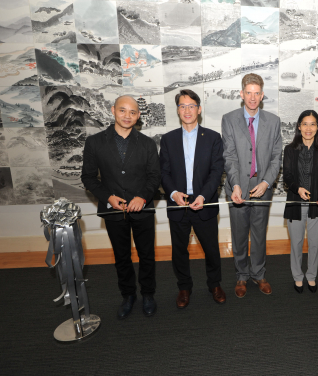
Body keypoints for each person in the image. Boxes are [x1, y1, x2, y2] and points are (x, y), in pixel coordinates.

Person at [81, 95, 160, 319]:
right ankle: (128, 295)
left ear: (138, 116)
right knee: (121, 256)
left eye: (132, 112)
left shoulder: (147, 143)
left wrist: (142, 198)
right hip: (113, 212)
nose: (127, 116)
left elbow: (155, 177)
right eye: (123, 111)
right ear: (113, 110)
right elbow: (88, 178)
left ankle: (148, 294)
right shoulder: (95, 142)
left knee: (147, 255)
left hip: (142, 211)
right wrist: (108, 198)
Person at [159, 89, 226, 308]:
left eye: (191, 106)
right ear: (177, 110)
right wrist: (173, 194)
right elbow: (163, 172)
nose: (187, 110)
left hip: (203, 204)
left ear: (199, 109)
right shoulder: (168, 140)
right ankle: (184, 288)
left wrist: (203, 196)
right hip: (178, 205)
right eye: (182, 106)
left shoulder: (213, 138)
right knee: (179, 251)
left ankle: (214, 284)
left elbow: (216, 172)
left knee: (211, 249)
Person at [222, 73, 282, 298]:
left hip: (262, 187)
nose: (253, 97)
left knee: (259, 233)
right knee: (239, 234)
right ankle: (241, 275)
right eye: (249, 92)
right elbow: (229, 156)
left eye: (257, 93)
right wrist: (235, 184)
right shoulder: (229, 119)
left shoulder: (273, 121)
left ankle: (258, 273)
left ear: (262, 94)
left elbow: (277, 157)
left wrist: (266, 182)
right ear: (241, 93)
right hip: (237, 186)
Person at [283, 110, 318, 294]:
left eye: (312, 124)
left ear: (317, 127)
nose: (308, 128)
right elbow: (287, 176)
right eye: (305, 124)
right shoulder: (290, 149)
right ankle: (297, 276)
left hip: (316, 204)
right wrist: (298, 188)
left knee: (313, 242)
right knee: (295, 243)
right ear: (299, 126)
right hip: (295, 202)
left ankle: (311, 276)